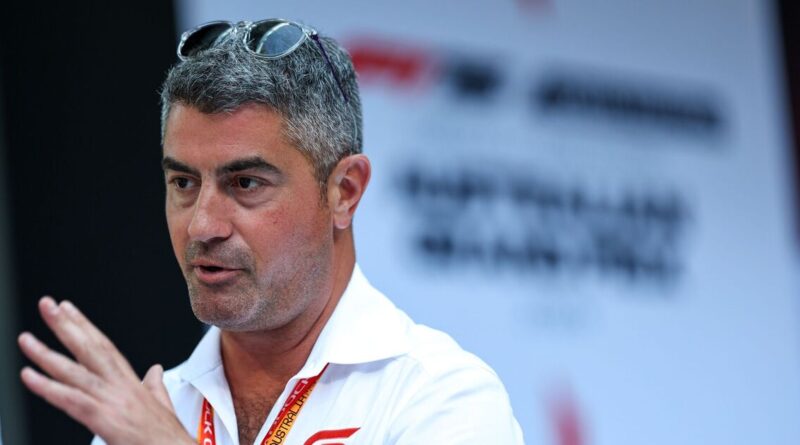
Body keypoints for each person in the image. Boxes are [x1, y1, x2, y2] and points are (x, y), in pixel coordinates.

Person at [17, 19, 525, 445]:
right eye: (184, 183)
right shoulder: (152, 412)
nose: (203, 225)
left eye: (245, 183)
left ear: (344, 191)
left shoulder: (442, 397)